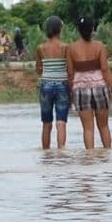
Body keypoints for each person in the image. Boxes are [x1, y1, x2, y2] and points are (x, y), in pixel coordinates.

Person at [68, 17, 112, 150]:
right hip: (100, 88)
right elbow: (105, 69)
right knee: (104, 126)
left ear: (78, 30)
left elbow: (70, 73)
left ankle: (90, 158)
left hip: (80, 89)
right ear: (93, 29)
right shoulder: (99, 46)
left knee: (88, 129)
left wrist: (70, 93)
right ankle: (107, 155)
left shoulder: (71, 48)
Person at [35, 16, 69, 149]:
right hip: (62, 84)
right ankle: (61, 152)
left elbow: (38, 69)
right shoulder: (65, 47)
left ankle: (46, 153)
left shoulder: (41, 48)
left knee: (46, 123)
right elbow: (69, 68)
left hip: (46, 85)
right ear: (59, 29)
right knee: (61, 122)